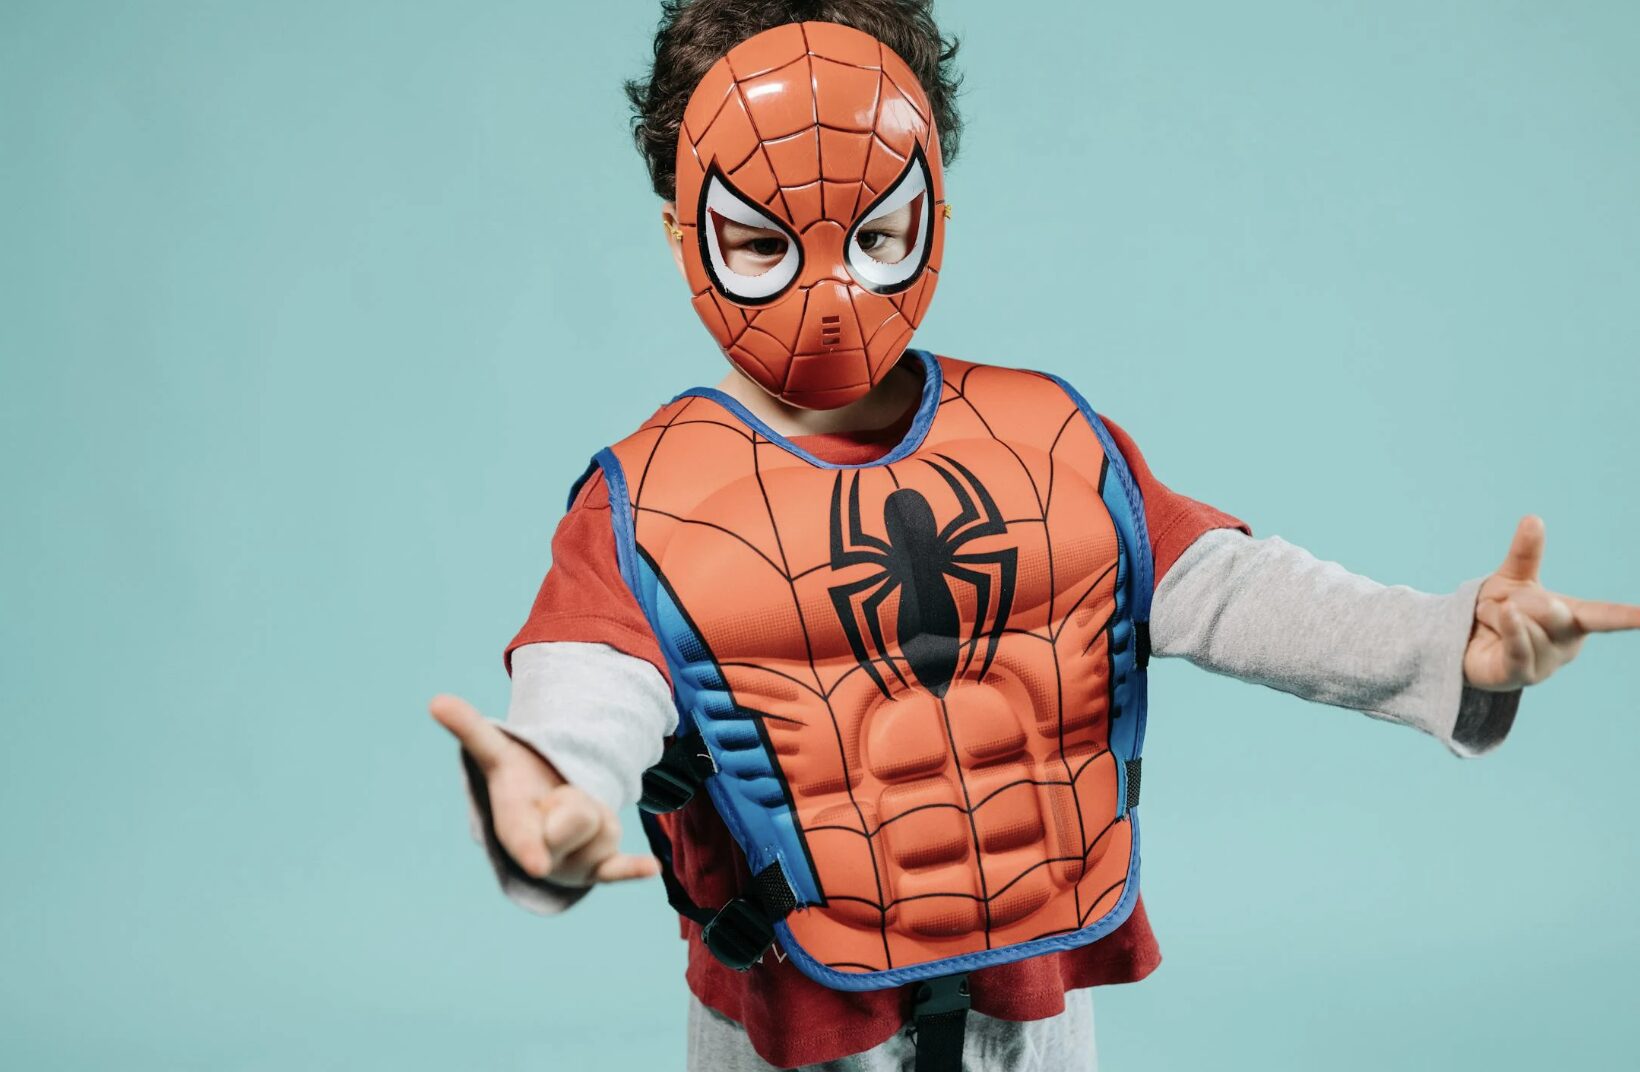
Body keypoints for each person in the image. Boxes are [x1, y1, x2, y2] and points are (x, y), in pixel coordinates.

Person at [430, 3, 1640, 1069]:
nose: (829, 293)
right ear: (682, 233)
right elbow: (585, 689)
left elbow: (1225, 587)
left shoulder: (1048, 443)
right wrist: (545, 797)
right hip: (792, 1019)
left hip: (1035, 993)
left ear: (931, 211)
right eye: (760, 241)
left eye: (875, 235)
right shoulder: (645, 504)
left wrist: (1449, 639)